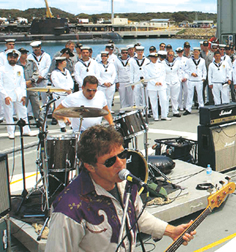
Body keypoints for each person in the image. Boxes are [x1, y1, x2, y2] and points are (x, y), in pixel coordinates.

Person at [47, 125, 195, 250]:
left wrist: (171, 231)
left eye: (123, 154)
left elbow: (138, 217)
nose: (120, 163)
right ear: (90, 167)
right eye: (110, 161)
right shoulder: (69, 210)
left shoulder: (125, 183)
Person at [1, 49, 33, 139]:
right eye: (11, 57)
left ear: (17, 58)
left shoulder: (19, 68)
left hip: (18, 93)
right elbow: (0, 84)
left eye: (14, 57)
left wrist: (24, 95)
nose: (12, 59)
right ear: (7, 58)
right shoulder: (2, 69)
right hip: (8, 94)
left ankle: (26, 130)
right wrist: (5, 96)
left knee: (23, 112)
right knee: (9, 114)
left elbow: (22, 82)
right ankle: (11, 132)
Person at [18, 48, 43, 123]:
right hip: (22, 89)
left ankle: (40, 121)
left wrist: (31, 81)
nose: (24, 55)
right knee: (22, 107)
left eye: (25, 53)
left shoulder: (31, 63)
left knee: (36, 105)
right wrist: (24, 83)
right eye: (22, 53)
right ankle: (23, 122)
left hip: (32, 87)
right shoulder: (17, 65)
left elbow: (36, 72)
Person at [144, 52, 170, 121]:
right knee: (153, 101)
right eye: (153, 57)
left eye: (156, 57)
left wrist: (160, 81)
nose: (154, 59)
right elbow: (147, 76)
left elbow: (163, 74)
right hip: (152, 86)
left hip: (161, 85)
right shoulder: (147, 66)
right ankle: (155, 116)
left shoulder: (161, 65)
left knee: (164, 100)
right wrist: (155, 82)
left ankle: (164, 115)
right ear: (150, 58)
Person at [185, 47, 206, 115]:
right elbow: (186, 69)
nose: (196, 53)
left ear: (199, 52)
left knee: (200, 95)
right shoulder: (189, 60)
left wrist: (203, 78)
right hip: (191, 80)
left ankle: (201, 107)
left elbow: (204, 70)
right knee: (190, 95)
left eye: (197, 52)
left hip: (199, 80)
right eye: (195, 52)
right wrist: (191, 73)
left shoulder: (202, 60)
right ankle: (188, 109)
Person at [165, 50, 185, 117]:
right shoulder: (163, 63)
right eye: (169, 55)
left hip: (175, 81)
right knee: (166, 98)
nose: (171, 56)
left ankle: (175, 111)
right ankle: (166, 112)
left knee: (175, 98)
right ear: (167, 55)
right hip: (166, 81)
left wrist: (179, 80)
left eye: (172, 55)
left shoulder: (177, 62)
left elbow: (179, 72)